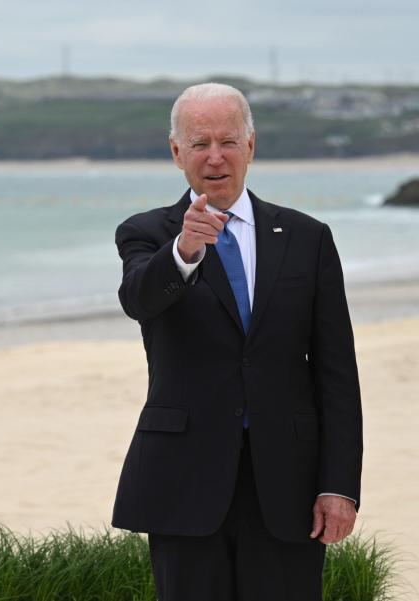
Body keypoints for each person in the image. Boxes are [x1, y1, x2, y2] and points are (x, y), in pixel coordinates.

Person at [111, 83, 362, 600]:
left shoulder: (307, 238)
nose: (215, 157)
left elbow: (336, 371)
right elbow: (139, 299)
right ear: (176, 152)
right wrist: (184, 249)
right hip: (184, 479)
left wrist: (338, 485)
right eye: (199, 144)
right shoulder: (147, 234)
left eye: (227, 141)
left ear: (251, 145)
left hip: (288, 482)